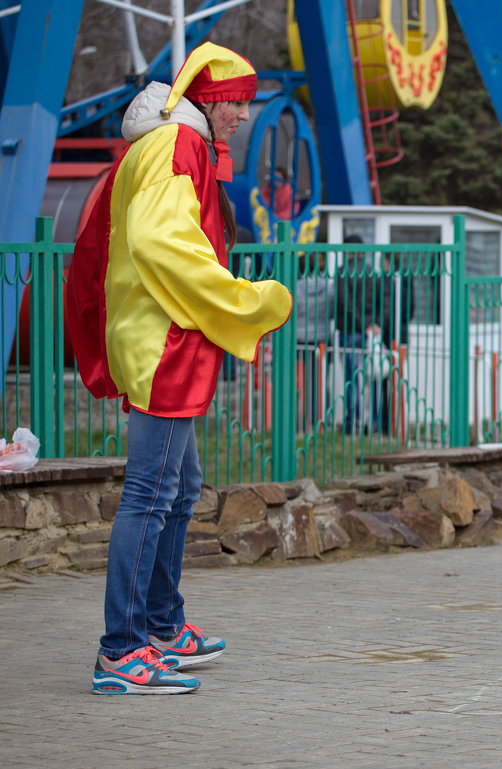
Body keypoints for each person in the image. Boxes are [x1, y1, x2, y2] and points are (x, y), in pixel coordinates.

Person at [65, 44, 293, 694]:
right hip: (166, 339)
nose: (243, 115)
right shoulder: (178, 146)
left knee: (179, 485)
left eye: (247, 102)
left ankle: (160, 627)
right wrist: (246, 302)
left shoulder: (168, 143)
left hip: (162, 333)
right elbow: (164, 245)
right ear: (209, 100)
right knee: (153, 493)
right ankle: (123, 648)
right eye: (236, 102)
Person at [336, 235, 394, 434]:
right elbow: (385, 301)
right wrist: (375, 324)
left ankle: (355, 423)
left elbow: (345, 302)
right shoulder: (373, 272)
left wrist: (363, 325)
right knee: (374, 377)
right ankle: (375, 423)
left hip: (351, 332)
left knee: (353, 379)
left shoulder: (344, 271)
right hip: (372, 334)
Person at [294, 251, 336, 428]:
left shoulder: (295, 287)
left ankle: (303, 421)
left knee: (302, 381)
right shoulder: (328, 286)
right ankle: (322, 419)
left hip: (301, 340)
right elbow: (333, 310)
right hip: (323, 339)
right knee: (321, 380)